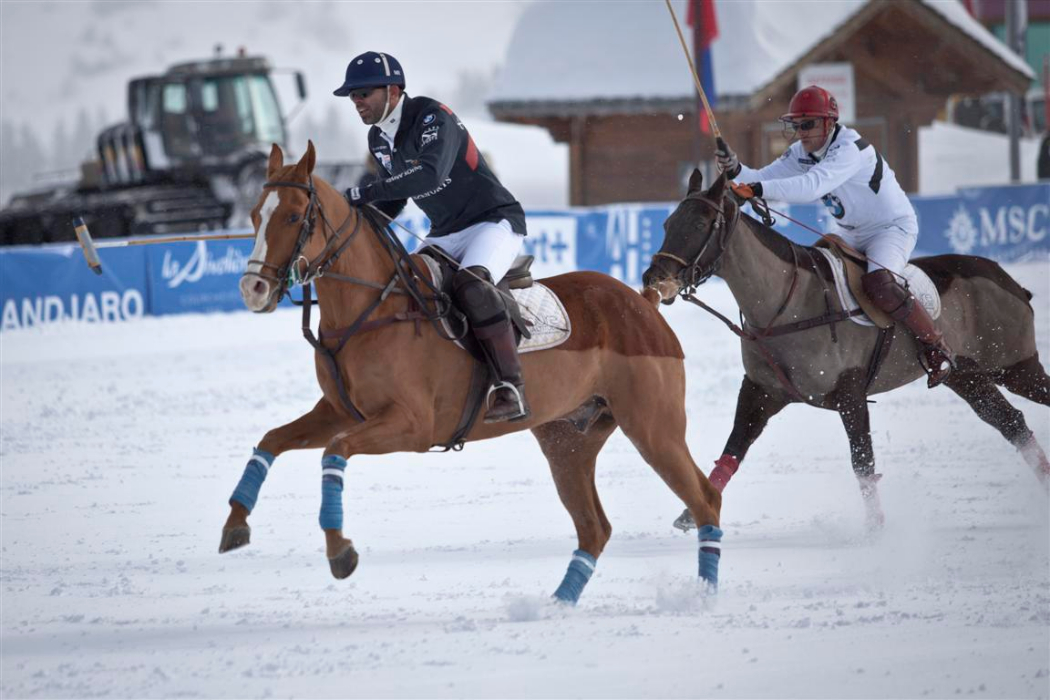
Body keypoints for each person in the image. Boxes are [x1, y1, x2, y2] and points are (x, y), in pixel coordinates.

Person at [333, 51, 530, 422]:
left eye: (363, 93)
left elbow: (429, 175)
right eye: (352, 96)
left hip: (493, 222)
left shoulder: (431, 117)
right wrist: (355, 229)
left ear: (393, 91)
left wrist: (366, 192)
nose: (356, 101)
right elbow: (394, 199)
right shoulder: (378, 138)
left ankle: (511, 387)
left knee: (472, 286)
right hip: (445, 232)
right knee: (406, 285)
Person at [717, 85, 954, 387]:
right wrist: (735, 169)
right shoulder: (800, 152)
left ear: (828, 123)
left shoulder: (849, 149)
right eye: (796, 125)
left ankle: (936, 347)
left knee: (880, 284)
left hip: (890, 229)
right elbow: (760, 179)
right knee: (817, 276)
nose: (801, 132)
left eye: (808, 124)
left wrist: (755, 189)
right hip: (849, 233)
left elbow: (811, 186)